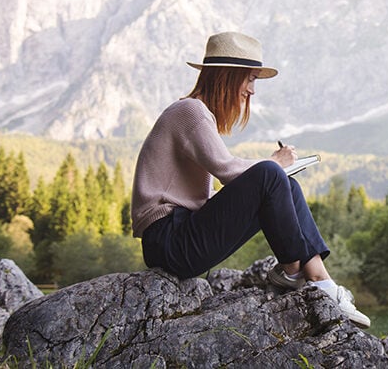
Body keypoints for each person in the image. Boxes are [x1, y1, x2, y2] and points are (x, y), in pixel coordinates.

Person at [130, 31, 370, 328]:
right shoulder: (190, 112)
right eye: (250, 79)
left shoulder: (196, 113)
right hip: (169, 241)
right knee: (271, 175)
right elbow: (227, 170)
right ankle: (301, 274)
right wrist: (273, 163)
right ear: (228, 77)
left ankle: (316, 278)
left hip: (179, 237)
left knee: (286, 184)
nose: (252, 90)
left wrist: (275, 171)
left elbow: (231, 179)